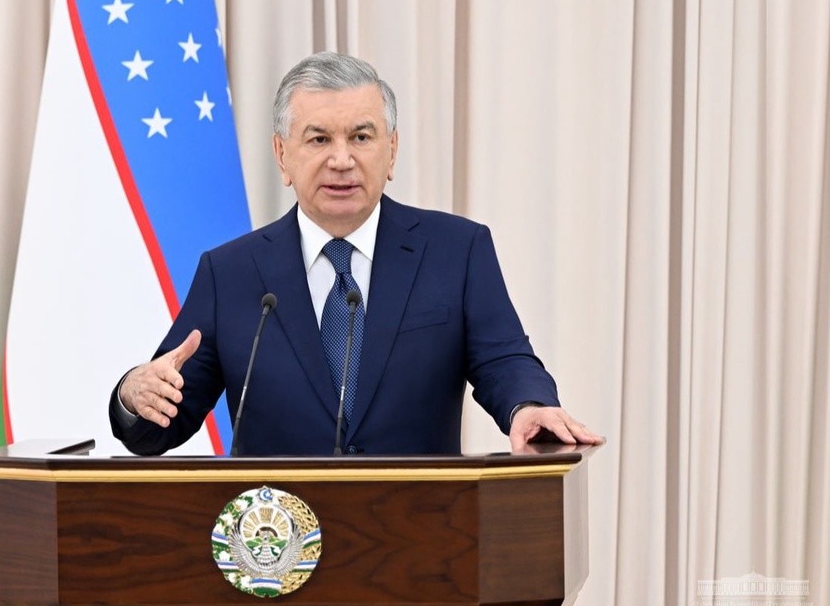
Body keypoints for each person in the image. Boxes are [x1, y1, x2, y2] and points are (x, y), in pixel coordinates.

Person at [109, 51, 604, 456]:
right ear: (282, 155)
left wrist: (527, 406)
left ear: (392, 150)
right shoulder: (230, 273)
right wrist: (134, 395)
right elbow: (159, 423)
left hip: (418, 530)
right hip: (274, 538)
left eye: (361, 137)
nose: (342, 159)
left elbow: (505, 359)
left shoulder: (456, 250)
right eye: (319, 139)